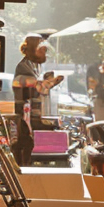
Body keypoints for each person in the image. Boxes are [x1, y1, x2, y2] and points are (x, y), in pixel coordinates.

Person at [12, 34, 62, 167]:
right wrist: (46, 83)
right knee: (25, 143)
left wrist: (49, 82)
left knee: (30, 143)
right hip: (25, 113)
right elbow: (30, 85)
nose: (44, 51)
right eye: (41, 48)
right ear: (32, 49)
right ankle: (22, 169)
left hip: (32, 113)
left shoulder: (34, 66)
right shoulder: (24, 66)